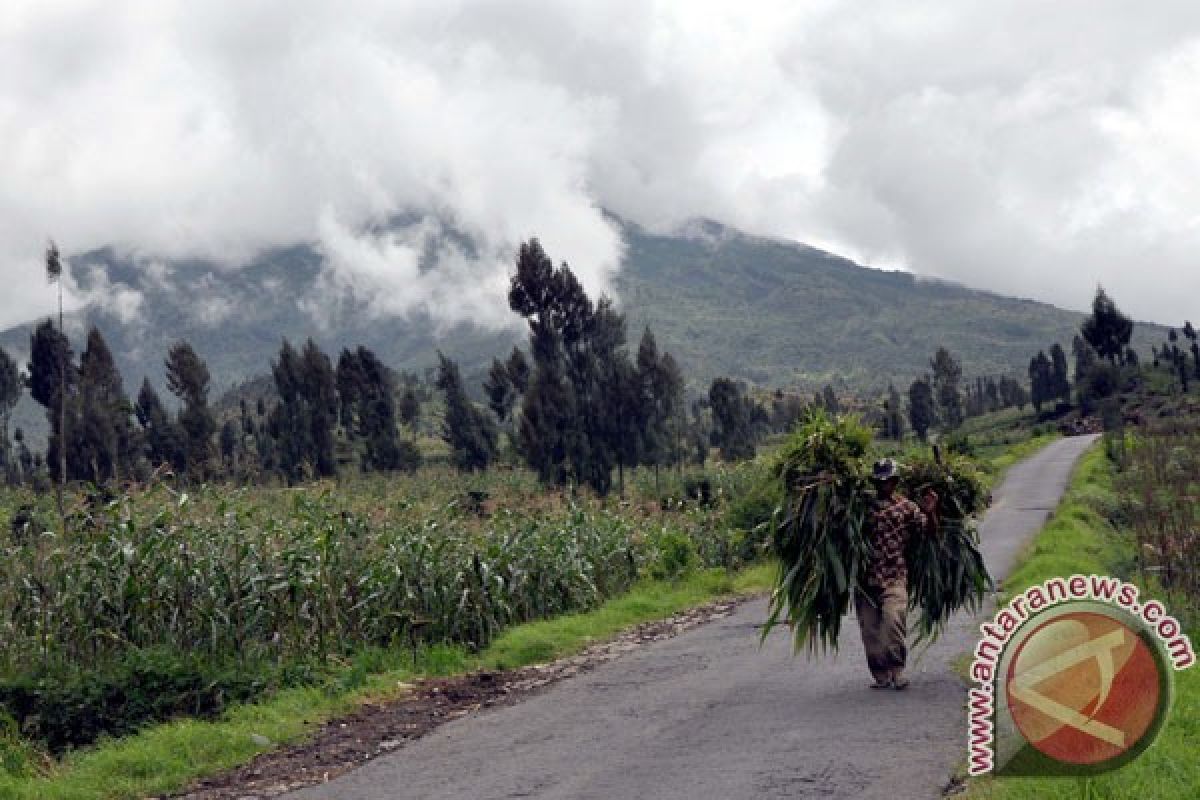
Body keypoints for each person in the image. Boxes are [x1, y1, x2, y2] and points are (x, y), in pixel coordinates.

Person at [855, 457, 938, 690]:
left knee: (893, 622)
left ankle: (897, 671)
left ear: (895, 481)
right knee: (870, 632)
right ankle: (881, 675)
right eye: (879, 481)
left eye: (888, 481)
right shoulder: (861, 507)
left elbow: (929, 534)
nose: (884, 486)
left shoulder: (907, 508)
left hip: (895, 576)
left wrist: (931, 512)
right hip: (865, 580)